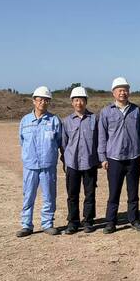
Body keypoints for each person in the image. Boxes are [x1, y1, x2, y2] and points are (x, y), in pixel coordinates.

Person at [98, 77, 140, 234]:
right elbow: (102, 136)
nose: (123, 93)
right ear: (113, 92)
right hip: (114, 158)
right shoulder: (106, 112)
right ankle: (110, 222)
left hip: (133, 157)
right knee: (114, 192)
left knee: (133, 192)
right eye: (120, 90)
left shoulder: (136, 110)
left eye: (125, 90)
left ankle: (134, 220)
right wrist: (102, 158)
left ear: (129, 92)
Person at [16, 86, 62, 237]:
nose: (43, 102)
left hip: (48, 165)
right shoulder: (25, 121)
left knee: (49, 195)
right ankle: (26, 225)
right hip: (30, 165)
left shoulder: (54, 120)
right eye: (40, 99)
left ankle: (47, 224)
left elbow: (59, 141)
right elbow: (22, 141)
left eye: (46, 100)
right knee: (28, 195)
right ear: (34, 101)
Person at [61, 86, 99, 234]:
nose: (79, 103)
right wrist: (65, 160)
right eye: (76, 100)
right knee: (72, 194)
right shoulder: (66, 122)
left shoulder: (94, 119)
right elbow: (64, 144)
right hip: (72, 163)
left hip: (90, 162)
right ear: (72, 102)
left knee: (90, 194)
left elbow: (99, 140)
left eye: (82, 100)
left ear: (86, 101)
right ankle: (73, 222)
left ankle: (88, 221)